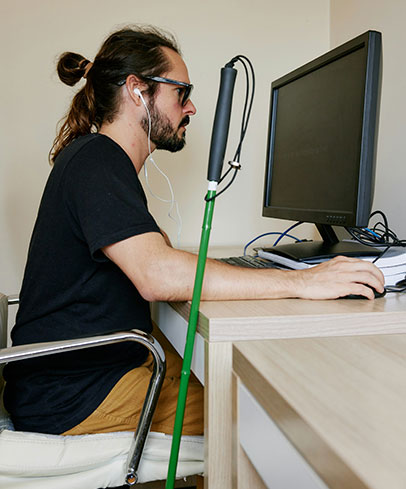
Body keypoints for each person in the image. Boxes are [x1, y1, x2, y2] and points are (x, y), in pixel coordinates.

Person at [3, 25, 384, 437]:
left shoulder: (96, 159)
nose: (191, 108)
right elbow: (157, 276)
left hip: (82, 376)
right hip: (76, 396)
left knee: (242, 381)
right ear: (138, 91)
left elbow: (154, 252)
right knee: (270, 417)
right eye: (181, 92)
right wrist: (301, 281)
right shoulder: (98, 160)